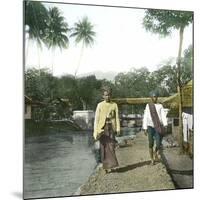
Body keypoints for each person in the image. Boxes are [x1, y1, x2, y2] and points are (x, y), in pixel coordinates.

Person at [93, 87, 120, 172]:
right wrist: (95, 132)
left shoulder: (114, 105)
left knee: (111, 146)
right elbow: (96, 119)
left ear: (110, 95)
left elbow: (117, 117)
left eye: (108, 95)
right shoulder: (100, 105)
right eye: (105, 95)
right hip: (102, 129)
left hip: (111, 127)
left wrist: (118, 129)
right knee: (103, 147)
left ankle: (111, 166)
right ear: (103, 96)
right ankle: (105, 167)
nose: (107, 97)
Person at [142, 91, 167, 165]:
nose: (154, 98)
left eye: (155, 96)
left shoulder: (160, 106)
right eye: (153, 97)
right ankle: (152, 159)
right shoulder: (148, 106)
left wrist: (165, 125)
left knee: (158, 143)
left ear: (157, 97)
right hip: (150, 127)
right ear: (151, 98)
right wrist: (145, 127)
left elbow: (163, 116)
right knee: (151, 143)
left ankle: (155, 152)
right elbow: (145, 116)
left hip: (158, 127)